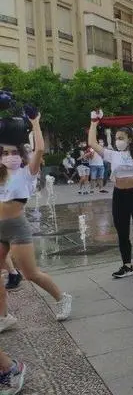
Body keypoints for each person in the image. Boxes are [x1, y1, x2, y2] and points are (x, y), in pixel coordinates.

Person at [0, 111, 72, 333]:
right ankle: (4, 316)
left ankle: (62, 297)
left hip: (16, 228)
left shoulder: (26, 173)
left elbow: (39, 149)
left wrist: (35, 123)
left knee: (30, 273)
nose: (9, 155)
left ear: (20, 154)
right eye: (4, 152)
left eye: (13, 152)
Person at [89, 121, 133, 278]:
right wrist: (93, 123)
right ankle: (127, 265)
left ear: (130, 139)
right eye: (116, 138)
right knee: (122, 231)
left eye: (121, 138)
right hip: (119, 195)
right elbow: (92, 143)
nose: (118, 141)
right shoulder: (112, 154)